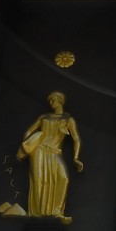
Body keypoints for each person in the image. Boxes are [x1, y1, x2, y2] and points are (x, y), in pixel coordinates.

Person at [20, 90, 83, 221]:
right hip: (39, 150)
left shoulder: (68, 119)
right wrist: (27, 146)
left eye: (53, 99)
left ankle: (57, 211)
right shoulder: (44, 117)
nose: (50, 102)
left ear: (60, 100)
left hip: (55, 152)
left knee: (63, 179)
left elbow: (76, 139)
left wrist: (76, 158)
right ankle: (38, 213)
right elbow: (29, 131)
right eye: (49, 100)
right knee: (39, 180)